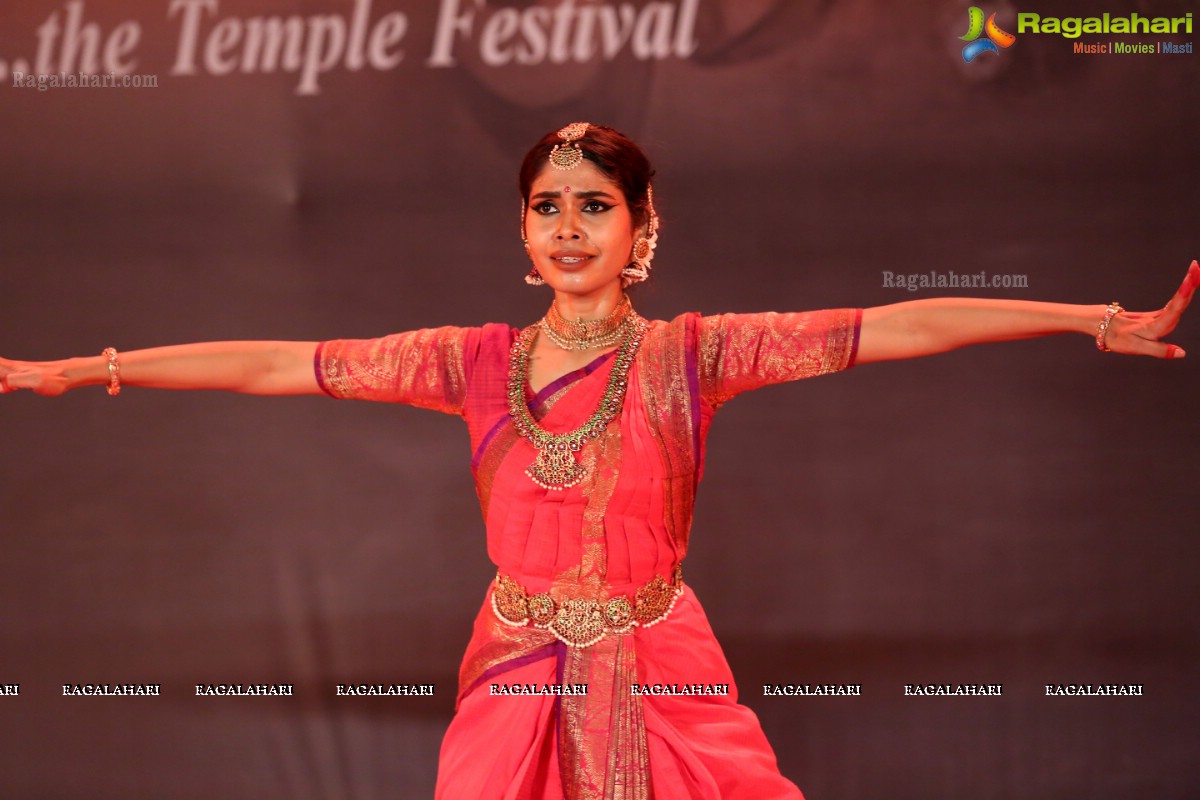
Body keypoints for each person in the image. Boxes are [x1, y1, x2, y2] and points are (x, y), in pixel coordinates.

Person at [1, 123, 1195, 799]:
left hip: (660, 656)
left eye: (593, 203)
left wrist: (1084, 315)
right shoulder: (467, 363)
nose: (567, 225)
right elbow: (278, 364)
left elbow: (902, 325)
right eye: (545, 204)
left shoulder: (695, 355)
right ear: (522, 231)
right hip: (515, 658)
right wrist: (90, 365)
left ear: (642, 226)